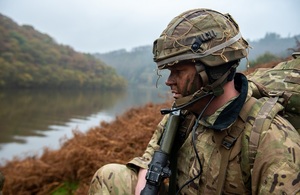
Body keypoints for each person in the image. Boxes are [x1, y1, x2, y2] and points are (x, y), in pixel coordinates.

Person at [89, 8, 300, 194]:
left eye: (179, 71)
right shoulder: (183, 114)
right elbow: (150, 160)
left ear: (213, 69)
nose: (169, 81)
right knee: (110, 177)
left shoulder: (269, 139)